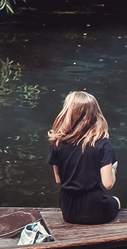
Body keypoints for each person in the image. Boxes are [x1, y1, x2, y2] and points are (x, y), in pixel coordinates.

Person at [47, 91, 121, 225]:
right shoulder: (102, 143)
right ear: (95, 114)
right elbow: (108, 184)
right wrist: (113, 169)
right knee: (116, 200)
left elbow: (59, 180)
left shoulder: (57, 141)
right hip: (94, 209)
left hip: (68, 210)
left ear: (68, 112)